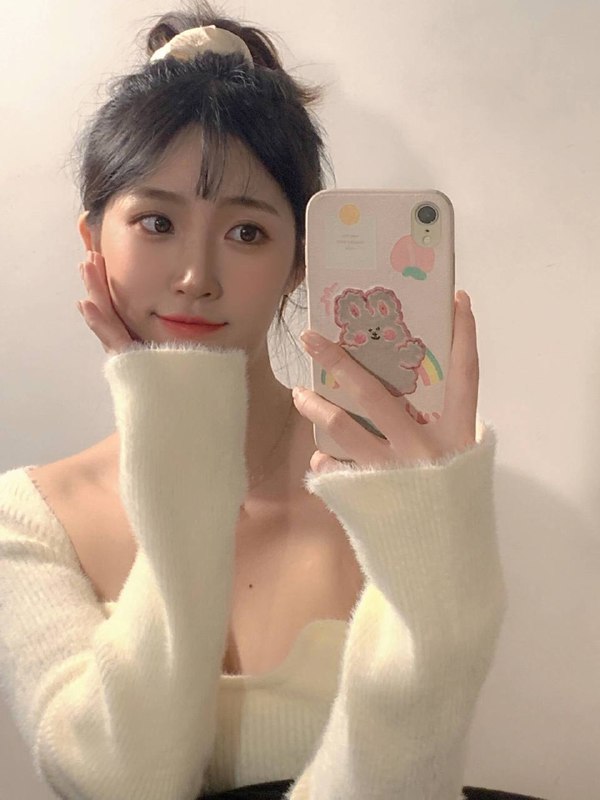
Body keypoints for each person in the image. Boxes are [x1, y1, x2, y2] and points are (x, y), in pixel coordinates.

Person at [0, 2, 516, 799]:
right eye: (157, 221)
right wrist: (176, 431)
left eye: (246, 232)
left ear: (301, 261)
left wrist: (439, 573)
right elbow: (117, 782)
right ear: (93, 240)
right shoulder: (27, 519)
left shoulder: (393, 487)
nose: (195, 276)